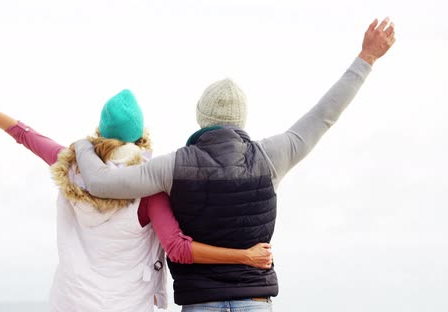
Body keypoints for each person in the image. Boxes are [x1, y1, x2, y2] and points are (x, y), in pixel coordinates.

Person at [72, 18, 396, 311]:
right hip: (254, 302)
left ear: (201, 117)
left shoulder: (171, 167)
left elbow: (100, 183)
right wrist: (366, 58)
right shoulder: (273, 155)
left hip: (200, 304)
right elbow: (326, 114)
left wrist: (84, 145)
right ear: (241, 118)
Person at [0, 76, 274, 312]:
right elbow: (178, 248)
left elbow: (24, 135)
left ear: (100, 130)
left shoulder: (71, 165)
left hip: (70, 302)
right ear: (141, 135)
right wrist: (244, 255)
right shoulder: (149, 188)